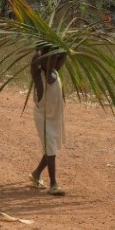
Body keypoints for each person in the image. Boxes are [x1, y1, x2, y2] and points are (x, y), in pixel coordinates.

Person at [29, 45, 67, 196]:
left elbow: (65, 52)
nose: (51, 61)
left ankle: (36, 173)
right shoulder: (40, 77)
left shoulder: (54, 71)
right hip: (43, 118)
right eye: (47, 59)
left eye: (54, 58)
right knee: (51, 149)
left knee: (51, 148)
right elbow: (33, 64)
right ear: (42, 59)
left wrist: (55, 42)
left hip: (56, 117)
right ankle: (53, 184)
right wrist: (40, 47)